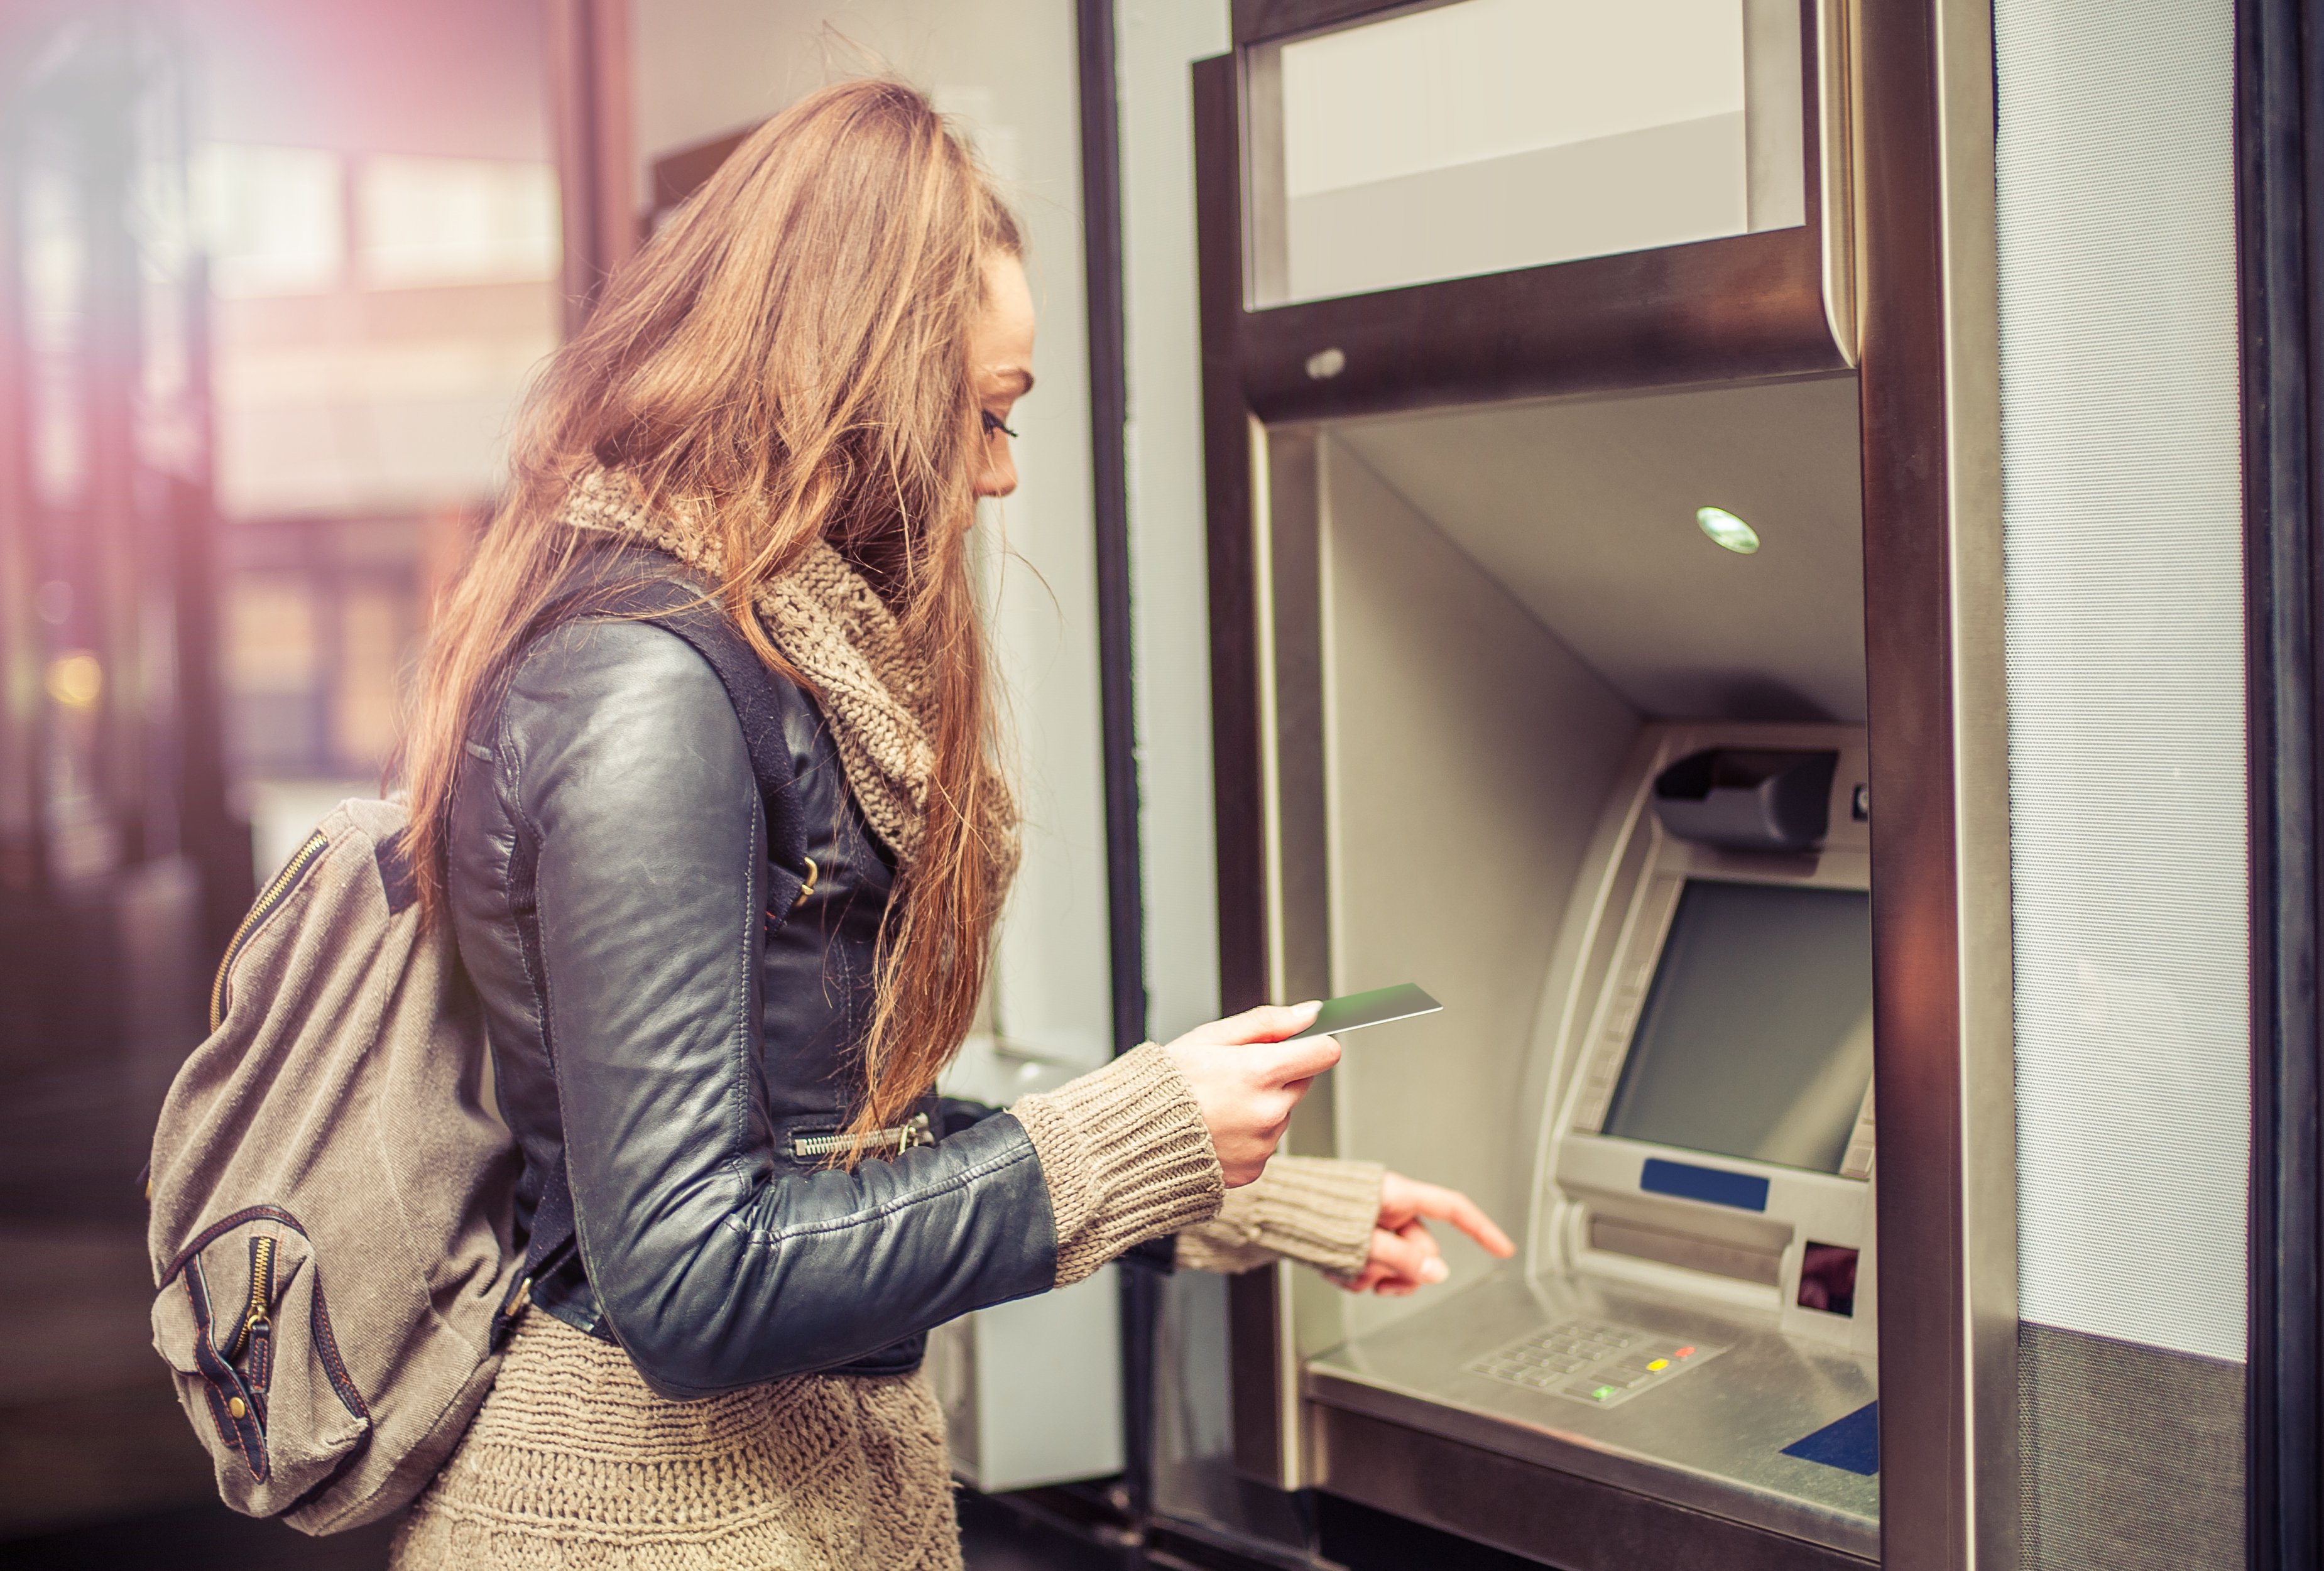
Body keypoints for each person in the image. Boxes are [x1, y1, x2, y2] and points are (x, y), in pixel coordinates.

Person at [386, 77, 1512, 1570]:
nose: (999, 472)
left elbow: (819, 1150)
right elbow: (690, 1278)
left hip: (775, 1506)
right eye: (983, 414)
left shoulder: (751, 660)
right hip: (636, 1521)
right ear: (846, 383)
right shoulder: (648, 689)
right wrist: (1134, 1132)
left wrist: (1241, 1193)